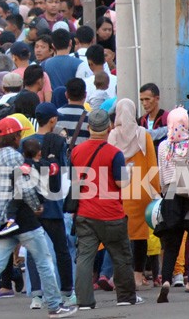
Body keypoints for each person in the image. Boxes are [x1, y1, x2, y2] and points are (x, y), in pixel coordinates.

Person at [0, 120, 77, 319]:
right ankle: (54, 305)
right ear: (15, 137)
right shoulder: (15, 158)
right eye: (19, 134)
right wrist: (36, 205)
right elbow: (23, 187)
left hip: (3, 222)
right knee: (44, 261)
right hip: (25, 221)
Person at [71, 109, 141, 309]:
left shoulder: (77, 151)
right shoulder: (114, 153)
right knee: (121, 255)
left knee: (84, 257)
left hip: (85, 211)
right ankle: (126, 297)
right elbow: (121, 183)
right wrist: (129, 173)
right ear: (108, 128)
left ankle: (84, 300)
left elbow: (75, 182)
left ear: (89, 128)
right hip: (111, 213)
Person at [154, 107, 189, 303]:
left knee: (171, 244)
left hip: (170, 193)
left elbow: (161, 173)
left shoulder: (162, 146)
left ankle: (167, 280)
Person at [107, 99, 160, 289]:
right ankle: (138, 276)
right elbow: (152, 163)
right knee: (140, 236)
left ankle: (120, 276)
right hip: (141, 188)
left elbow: (109, 163)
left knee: (119, 236)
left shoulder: (113, 135)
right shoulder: (142, 134)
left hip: (120, 189)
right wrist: (156, 189)